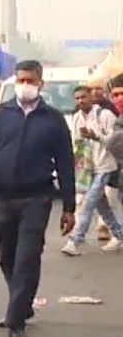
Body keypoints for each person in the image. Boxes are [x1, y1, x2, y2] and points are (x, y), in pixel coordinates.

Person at [0, 60, 76, 337]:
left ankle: (16, 323)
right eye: (20, 80)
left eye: (30, 80)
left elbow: (66, 164)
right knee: (7, 256)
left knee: (28, 258)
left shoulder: (53, 120)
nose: (24, 85)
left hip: (37, 198)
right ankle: (21, 304)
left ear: (40, 83)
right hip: (0, 197)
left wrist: (69, 206)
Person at [62, 86, 123, 255]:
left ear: (91, 97)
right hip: (88, 168)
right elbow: (77, 145)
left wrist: (95, 136)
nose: (81, 101)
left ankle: (75, 241)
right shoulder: (76, 118)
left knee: (88, 203)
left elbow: (115, 142)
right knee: (100, 203)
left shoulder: (105, 115)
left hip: (105, 165)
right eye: (77, 98)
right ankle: (119, 235)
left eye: (83, 97)